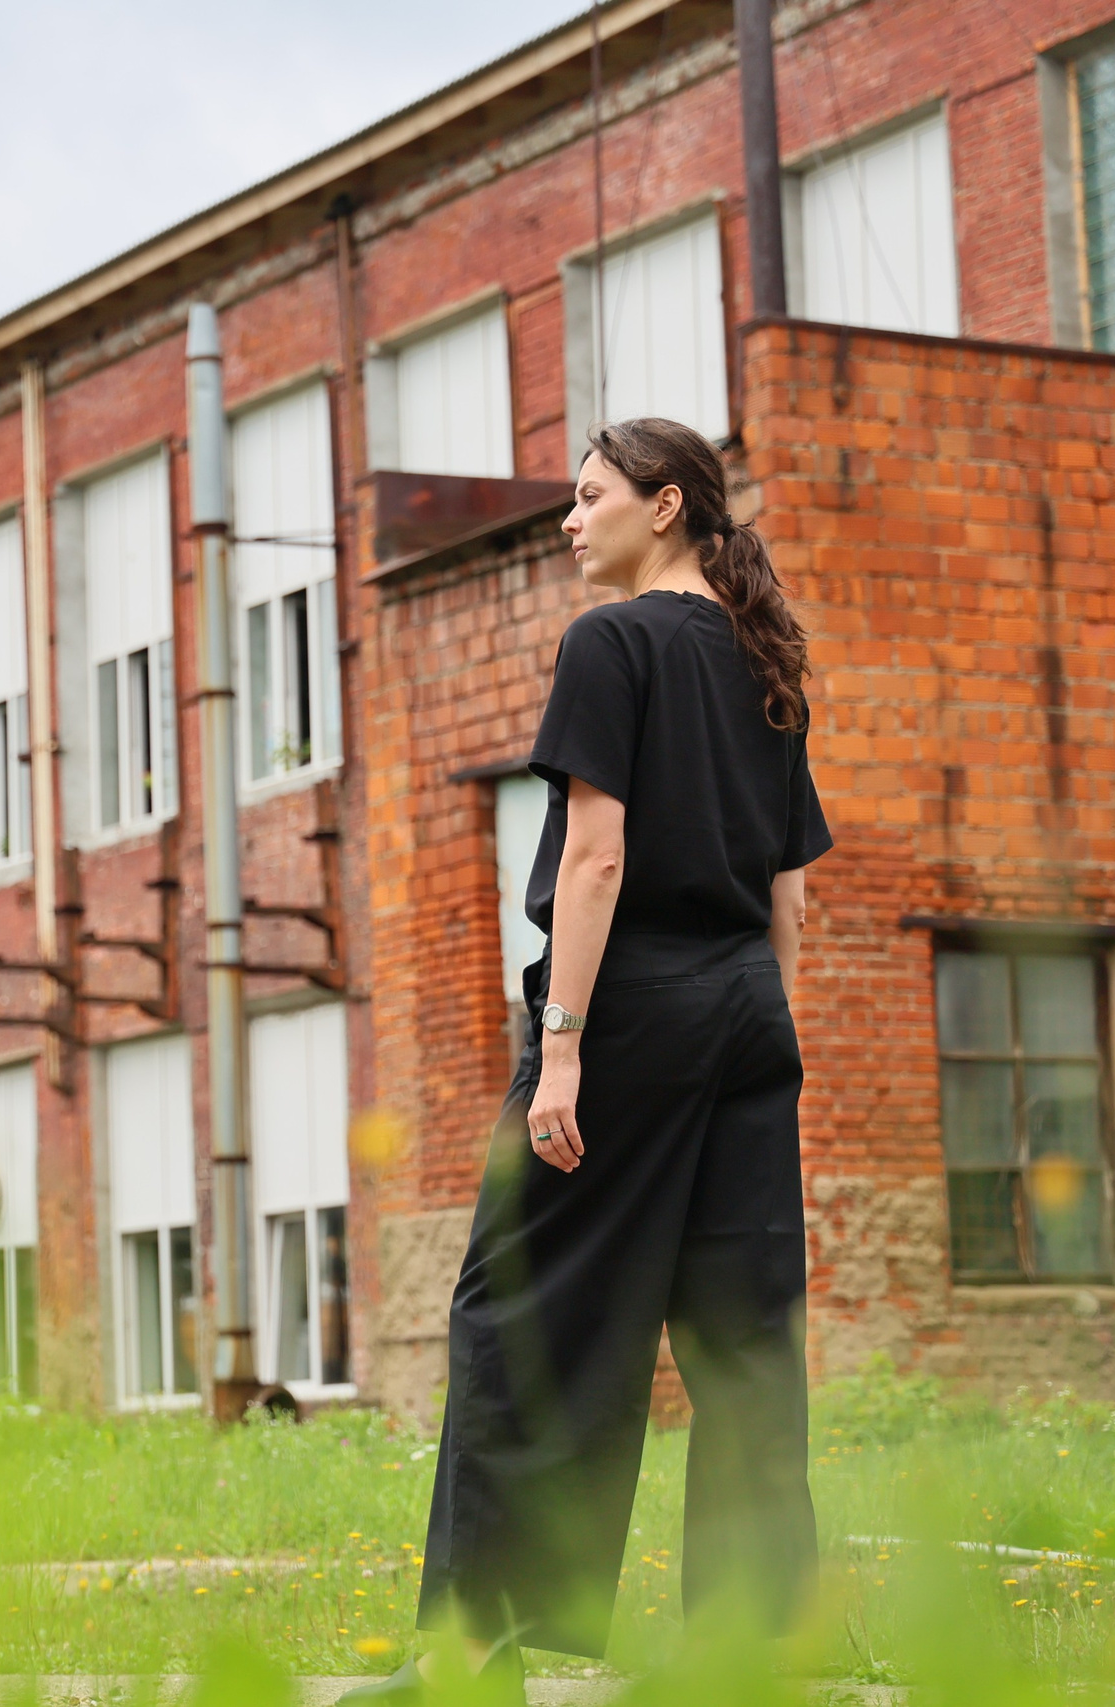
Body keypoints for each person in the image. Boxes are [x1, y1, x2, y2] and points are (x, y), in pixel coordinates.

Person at [348, 417, 830, 1702]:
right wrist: (751, 1032)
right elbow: (787, 893)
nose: (568, 522)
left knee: (517, 1313)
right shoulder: (761, 652)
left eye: (589, 497)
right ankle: (752, 1643)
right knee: (742, 1334)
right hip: (743, 1010)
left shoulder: (609, 643)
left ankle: (476, 1650)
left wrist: (562, 1051)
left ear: (663, 506)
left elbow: (597, 859)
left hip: (625, 1009)